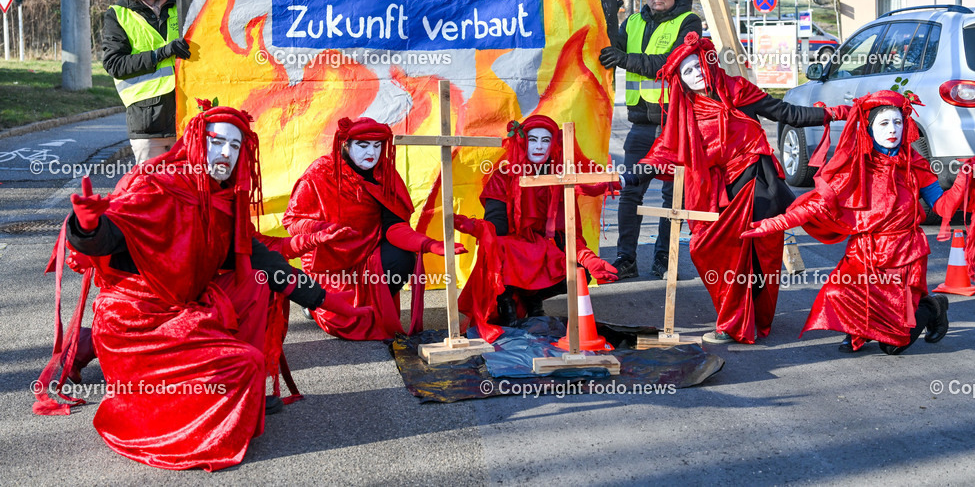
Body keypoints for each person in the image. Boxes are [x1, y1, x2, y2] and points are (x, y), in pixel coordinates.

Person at [32, 103, 364, 471]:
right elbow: (111, 237)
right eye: (217, 142)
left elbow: (264, 262)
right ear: (194, 142)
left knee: (258, 283)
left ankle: (247, 394)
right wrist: (88, 229)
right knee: (242, 363)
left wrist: (329, 302)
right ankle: (156, 400)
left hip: (185, 305)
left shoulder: (222, 199)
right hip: (138, 321)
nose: (226, 153)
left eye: (235, 147)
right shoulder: (155, 185)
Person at [743, 90, 975, 354]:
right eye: (884, 123)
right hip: (864, 254)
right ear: (869, 128)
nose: (893, 130)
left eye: (898, 122)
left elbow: (943, 207)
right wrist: (769, 225)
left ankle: (932, 307)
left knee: (893, 345)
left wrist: (963, 181)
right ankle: (857, 331)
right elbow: (812, 207)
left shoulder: (916, 165)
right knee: (837, 293)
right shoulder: (855, 167)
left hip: (905, 255)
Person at [635, 32, 848, 344]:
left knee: (758, 255)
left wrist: (835, 112)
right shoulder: (685, 112)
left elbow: (786, 113)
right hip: (718, 193)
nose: (695, 74)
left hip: (757, 182)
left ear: (709, 63)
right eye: (687, 71)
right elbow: (665, 150)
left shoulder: (737, 89)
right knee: (708, 250)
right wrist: (630, 176)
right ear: (679, 79)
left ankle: (739, 322)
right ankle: (737, 317)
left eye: (698, 66)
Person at [283, 117, 463, 340]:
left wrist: (430, 245)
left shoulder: (383, 173)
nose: (372, 152)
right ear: (345, 145)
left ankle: (377, 310)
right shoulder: (319, 174)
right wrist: (321, 229)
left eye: (378, 146)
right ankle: (315, 303)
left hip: (369, 251)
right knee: (341, 321)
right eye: (363, 145)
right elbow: (292, 221)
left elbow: (394, 227)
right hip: (333, 262)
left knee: (402, 258)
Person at [455, 115, 619, 342]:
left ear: (554, 144)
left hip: (542, 251)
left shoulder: (561, 179)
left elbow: (567, 234)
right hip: (513, 254)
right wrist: (471, 226)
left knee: (578, 271)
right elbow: (495, 231)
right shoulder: (503, 177)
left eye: (546, 140)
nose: (540, 146)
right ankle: (507, 305)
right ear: (523, 142)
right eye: (533, 140)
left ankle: (534, 302)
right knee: (501, 247)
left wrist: (588, 258)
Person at [599, 0, 702, 279]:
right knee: (630, 192)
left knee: (673, 198)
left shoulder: (688, 23)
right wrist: (604, 17)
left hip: (675, 126)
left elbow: (667, 65)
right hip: (642, 124)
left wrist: (623, 59)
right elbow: (605, 47)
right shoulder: (632, 22)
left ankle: (664, 260)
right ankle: (625, 259)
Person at [103, 0, 190, 164]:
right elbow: (114, 64)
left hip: (188, 116)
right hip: (148, 122)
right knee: (152, 191)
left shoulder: (183, 5)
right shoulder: (118, 15)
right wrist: (161, 53)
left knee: (189, 191)